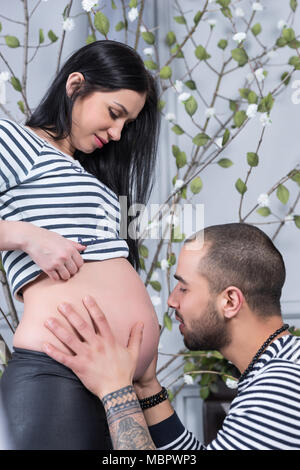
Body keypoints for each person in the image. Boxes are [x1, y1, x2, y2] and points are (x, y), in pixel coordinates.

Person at [0, 40, 161, 450]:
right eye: (114, 114)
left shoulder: (92, 177)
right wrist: (28, 237)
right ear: (76, 86)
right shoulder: (17, 143)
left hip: (117, 385)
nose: (117, 133)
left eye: (128, 123)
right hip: (58, 374)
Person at [42, 223, 300, 450]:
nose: (171, 300)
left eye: (184, 288)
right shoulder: (281, 367)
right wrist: (147, 386)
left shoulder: (280, 386)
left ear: (230, 301)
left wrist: (115, 391)